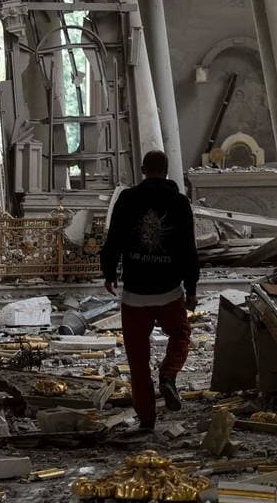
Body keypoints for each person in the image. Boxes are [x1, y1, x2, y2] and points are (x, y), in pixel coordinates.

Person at [100, 150, 197, 432]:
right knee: (180, 334)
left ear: (142, 170)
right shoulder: (179, 202)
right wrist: (191, 287)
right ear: (166, 171)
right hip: (169, 291)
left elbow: (113, 238)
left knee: (138, 360)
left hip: (135, 294)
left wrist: (109, 272)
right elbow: (188, 249)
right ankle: (168, 374)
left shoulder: (127, 199)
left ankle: (146, 420)